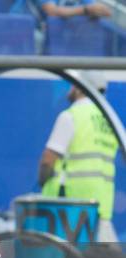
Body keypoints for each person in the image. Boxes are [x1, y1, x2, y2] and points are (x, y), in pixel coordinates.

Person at [38, 70, 119, 242]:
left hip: (69, 207)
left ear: (80, 88)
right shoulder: (109, 120)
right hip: (101, 205)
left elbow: (48, 159)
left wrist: (42, 181)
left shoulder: (72, 116)